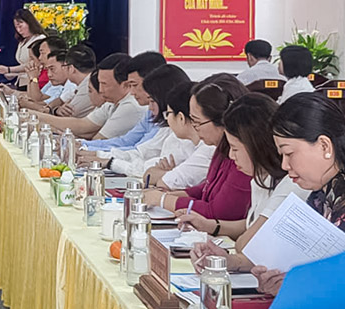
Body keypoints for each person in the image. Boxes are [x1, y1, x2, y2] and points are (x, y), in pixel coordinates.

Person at [187, 94, 308, 273]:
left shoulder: (293, 183)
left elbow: (247, 244)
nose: (231, 156)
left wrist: (234, 250)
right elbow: (253, 223)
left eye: (235, 148)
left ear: (255, 145)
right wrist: (211, 225)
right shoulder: (261, 178)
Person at [250, 93, 345, 296]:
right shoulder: (320, 196)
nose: (285, 165)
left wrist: (301, 286)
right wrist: (278, 278)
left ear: (324, 146)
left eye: (289, 154)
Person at [143, 74, 253, 225]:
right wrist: (175, 195)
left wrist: (162, 199)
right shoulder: (221, 147)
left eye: (196, 122)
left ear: (221, 119)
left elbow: (217, 212)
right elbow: (208, 188)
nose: (195, 128)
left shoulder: (242, 156)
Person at [81, 66, 195, 176]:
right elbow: (141, 153)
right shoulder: (168, 130)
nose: (150, 108)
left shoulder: (187, 140)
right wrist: (99, 156)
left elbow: (155, 171)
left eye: (152, 101)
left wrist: (109, 162)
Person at [33, 53, 144, 140]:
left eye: (105, 84)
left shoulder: (130, 106)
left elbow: (97, 140)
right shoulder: (111, 102)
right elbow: (83, 125)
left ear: (125, 85)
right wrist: (34, 115)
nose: (101, 90)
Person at [78, 52, 168, 153]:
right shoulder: (150, 112)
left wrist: (93, 152)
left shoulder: (167, 114)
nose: (132, 92)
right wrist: (83, 145)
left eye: (134, 85)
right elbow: (126, 141)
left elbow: (140, 152)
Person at [144, 82, 215, 189]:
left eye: (168, 113)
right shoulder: (185, 143)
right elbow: (149, 174)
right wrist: (170, 174)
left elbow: (166, 182)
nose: (167, 119)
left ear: (181, 117)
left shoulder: (209, 149)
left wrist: (169, 174)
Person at [0, 8, 45, 89]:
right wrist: (14, 74)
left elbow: (34, 64)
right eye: (16, 27)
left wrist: (9, 69)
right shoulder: (22, 41)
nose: (19, 30)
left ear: (29, 23)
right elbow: (23, 65)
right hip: (21, 82)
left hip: (34, 82)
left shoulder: (39, 39)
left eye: (20, 26)